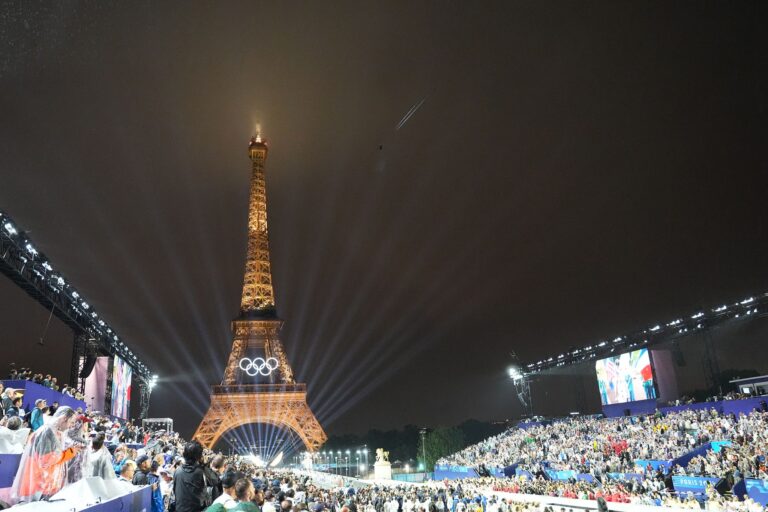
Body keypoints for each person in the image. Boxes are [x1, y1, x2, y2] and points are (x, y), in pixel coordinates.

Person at [11, 406, 81, 503]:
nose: (72, 426)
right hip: (39, 486)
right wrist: (71, 452)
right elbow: (46, 460)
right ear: (64, 418)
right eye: (71, 422)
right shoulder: (47, 432)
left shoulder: (55, 432)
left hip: (44, 485)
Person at [174, 440, 207, 512]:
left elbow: (175, 491)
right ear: (199, 456)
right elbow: (205, 494)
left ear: (184, 454)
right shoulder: (201, 472)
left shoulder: (177, 471)